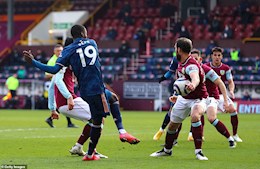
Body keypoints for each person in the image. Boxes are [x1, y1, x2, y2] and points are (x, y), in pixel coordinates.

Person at [23, 24, 110, 161]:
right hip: (68, 101)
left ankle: (78, 147)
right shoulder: (68, 61)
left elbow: (52, 85)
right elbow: (56, 81)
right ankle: (90, 151)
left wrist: (52, 108)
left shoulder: (69, 58)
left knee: (94, 120)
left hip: (66, 102)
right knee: (98, 120)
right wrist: (69, 97)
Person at [150, 37, 208, 160]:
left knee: (195, 115)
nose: (174, 49)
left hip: (199, 97)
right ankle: (167, 150)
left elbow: (195, 77)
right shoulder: (181, 61)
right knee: (172, 126)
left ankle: (199, 152)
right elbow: (182, 82)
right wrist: (177, 95)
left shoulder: (191, 64)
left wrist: (193, 84)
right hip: (184, 98)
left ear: (179, 49)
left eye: (175, 47)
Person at [186, 49, 236, 148]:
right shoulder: (188, 70)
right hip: (199, 98)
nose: (194, 61)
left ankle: (230, 138)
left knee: (211, 118)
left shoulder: (206, 69)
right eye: (192, 59)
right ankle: (178, 141)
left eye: (196, 59)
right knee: (185, 115)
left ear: (200, 59)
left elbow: (221, 84)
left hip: (211, 98)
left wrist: (226, 101)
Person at [205, 47, 243, 142]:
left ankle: (235, 135)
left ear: (222, 57)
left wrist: (231, 91)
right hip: (208, 97)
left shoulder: (225, 68)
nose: (217, 57)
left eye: (219, 55)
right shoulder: (206, 67)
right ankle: (198, 135)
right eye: (215, 55)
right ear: (211, 56)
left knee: (233, 110)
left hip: (222, 95)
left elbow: (230, 82)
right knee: (205, 116)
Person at [44, 44, 77, 128]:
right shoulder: (52, 61)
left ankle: (52, 119)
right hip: (57, 85)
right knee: (64, 103)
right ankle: (65, 122)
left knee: (64, 104)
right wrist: (56, 74)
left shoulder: (63, 59)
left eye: (61, 50)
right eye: (58, 51)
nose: (60, 52)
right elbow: (47, 75)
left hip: (63, 84)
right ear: (54, 52)